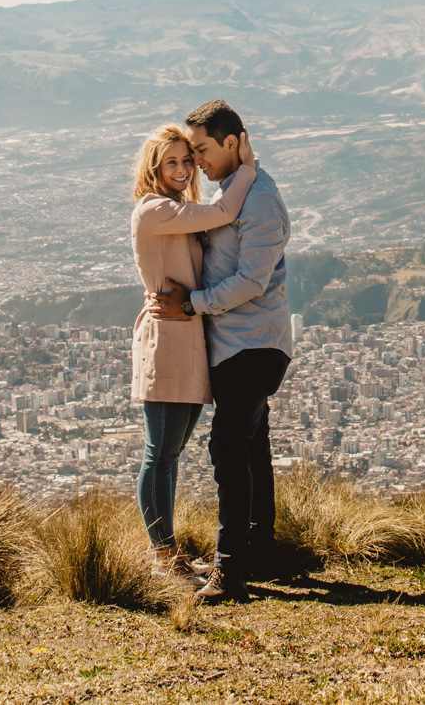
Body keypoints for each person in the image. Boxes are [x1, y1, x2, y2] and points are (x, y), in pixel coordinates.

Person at [147, 98, 291, 602]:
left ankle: (231, 572)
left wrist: (193, 305)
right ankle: (263, 551)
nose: (197, 164)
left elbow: (252, 279)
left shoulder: (260, 199)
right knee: (251, 447)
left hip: (255, 341)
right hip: (233, 344)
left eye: (203, 150)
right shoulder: (234, 189)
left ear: (232, 143)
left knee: (226, 447)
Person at [127, 122, 257, 578]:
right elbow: (224, 210)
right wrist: (247, 166)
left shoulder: (178, 209)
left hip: (189, 337)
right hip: (166, 339)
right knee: (158, 452)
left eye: (187, 160)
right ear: (154, 167)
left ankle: (170, 552)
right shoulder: (154, 211)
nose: (184, 169)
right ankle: (162, 557)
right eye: (173, 162)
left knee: (171, 453)